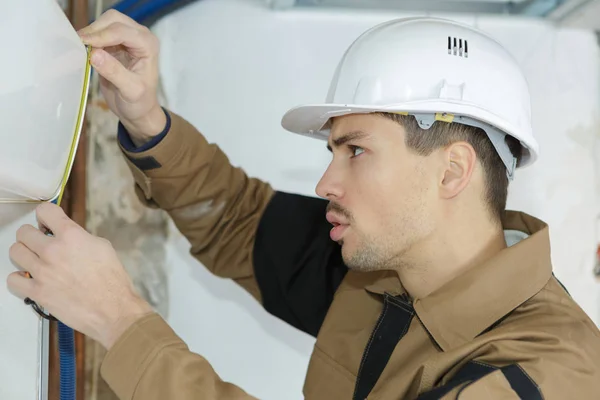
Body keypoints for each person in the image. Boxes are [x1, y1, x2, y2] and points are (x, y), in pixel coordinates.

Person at [7, 9, 600, 400]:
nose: (325, 183)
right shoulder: (390, 271)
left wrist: (121, 320)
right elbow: (243, 224)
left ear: (451, 171)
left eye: (356, 151)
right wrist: (147, 121)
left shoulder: (538, 376)